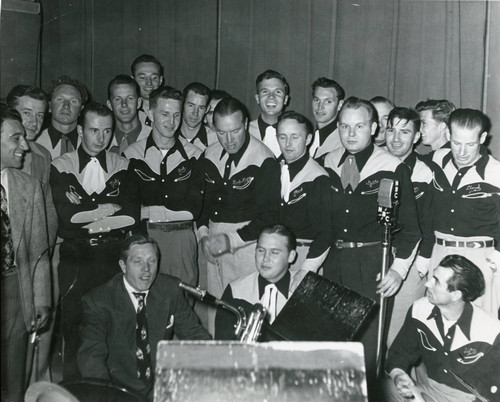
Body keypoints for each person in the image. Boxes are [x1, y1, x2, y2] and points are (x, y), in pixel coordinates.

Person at [322, 97, 421, 398]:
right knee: (333, 345)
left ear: (374, 127)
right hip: (334, 261)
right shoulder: (325, 162)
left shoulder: (392, 167)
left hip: (372, 264)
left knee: (366, 350)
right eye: (345, 126)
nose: (351, 134)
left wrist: (398, 269)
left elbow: (412, 229)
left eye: (360, 126)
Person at [50, 102, 139, 379]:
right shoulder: (61, 166)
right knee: (74, 328)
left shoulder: (122, 165)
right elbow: (66, 218)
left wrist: (85, 213)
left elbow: (131, 215)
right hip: (76, 258)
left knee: (114, 327)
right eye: (93, 130)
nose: (100, 138)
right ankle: (75, 390)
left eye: (106, 131)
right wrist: (103, 209)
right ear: (80, 130)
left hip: (113, 257)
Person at [78, 235, 211, 402]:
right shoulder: (98, 301)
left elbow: (194, 335)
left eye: (152, 261)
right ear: (123, 266)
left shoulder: (170, 289)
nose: (146, 269)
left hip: (160, 387)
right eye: (137, 261)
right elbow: (92, 359)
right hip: (119, 389)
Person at [197, 96, 281, 334]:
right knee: (217, 312)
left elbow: (269, 217)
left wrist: (229, 240)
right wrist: (204, 235)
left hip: (247, 245)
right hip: (213, 243)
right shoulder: (209, 153)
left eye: (234, 131)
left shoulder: (264, 159)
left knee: (245, 315)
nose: (229, 139)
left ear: (245, 124)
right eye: (222, 133)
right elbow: (202, 204)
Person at [385, 254, 500, 402]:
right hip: (432, 392)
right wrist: (398, 375)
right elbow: (399, 354)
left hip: (471, 398)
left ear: (456, 295)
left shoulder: (491, 330)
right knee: (387, 389)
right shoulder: (419, 309)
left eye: (436, 282)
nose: (427, 284)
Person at [124, 86, 204, 286]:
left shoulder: (194, 155)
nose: (171, 122)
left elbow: (193, 209)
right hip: (145, 239)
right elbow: (128, 208)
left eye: (177, 115)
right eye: (165, 114)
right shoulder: (131, 155)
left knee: (183, 301)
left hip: (182, 240)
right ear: (150, 113)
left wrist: (147, 211)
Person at [423, 108, 500, 316]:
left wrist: (497, 259)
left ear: (483, 138)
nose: (463, 152)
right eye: (457, 143)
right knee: (437, 323)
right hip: (439, 254)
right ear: (448, 135)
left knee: (479, 328)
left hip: (480, 259)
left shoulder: (496, 173)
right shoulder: (436, 160)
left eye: (470, 144)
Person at [7, 84, 59, 383]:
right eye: (26, 113)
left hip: (33, 261)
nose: (34, 122)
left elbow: (48, 214)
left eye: (40, 115)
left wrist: (43, 252)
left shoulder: (41, 156)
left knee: (30, 346)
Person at [1, 104, 51, 401]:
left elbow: (38, 252)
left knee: (13, 379)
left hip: (15, 292)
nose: (25, 145)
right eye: (15, 138)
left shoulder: (28, 186)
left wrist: (42, 299)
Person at [384, 107, 434, 346]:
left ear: (416, 137)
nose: (395, 139)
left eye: (404, 132)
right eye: (391, 130)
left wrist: (421, 264)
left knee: (397, 334)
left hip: (411, 262)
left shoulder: (427, 173)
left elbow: (430, 222)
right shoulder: (376, 164)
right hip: (375, 256)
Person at [215, 224, 307, 340]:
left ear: (291, 256)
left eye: (274, 252)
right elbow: (223, 344)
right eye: (261, 250)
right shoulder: (235, 290)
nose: (265, 258)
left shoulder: (305, 291)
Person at [276, 111, 333, 272]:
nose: (288, 144)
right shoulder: (273, 170)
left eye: (295, 137)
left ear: (308, 139)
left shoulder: (318, 178)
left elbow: (325, 234)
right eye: (282, 137)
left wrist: (307, 269)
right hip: (275, 254)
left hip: (304, 256)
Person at [36, 75, 88, 159]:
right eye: (60, 99)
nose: (66, 106)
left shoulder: (91, 142)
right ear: (49, 106)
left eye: (73, 101)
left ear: (81, 110)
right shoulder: (36, 142)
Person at [248, 69, 290, 157]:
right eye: (265, 91)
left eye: (278, 92)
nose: (271, 96)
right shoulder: (245, 132)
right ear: (257, 98)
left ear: (285, 99)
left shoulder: (295, 133)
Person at [107, 75, 150, 155]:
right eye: (118, 99)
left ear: (139, 103)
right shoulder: (102, 138)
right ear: (109, 105)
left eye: (130, 98)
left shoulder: (153, 137)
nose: (124, 104)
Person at [309, 77, 345, 161]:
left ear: (340, 104)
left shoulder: (343, 141)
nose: (320, 107)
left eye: (328, 101)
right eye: (316, 100)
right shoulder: (307, 137)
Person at [177, 82, 217, 151]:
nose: (195, 113)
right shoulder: (169, 135)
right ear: (182, 104)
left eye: (201, 108)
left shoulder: (215, 141)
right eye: (191, 105)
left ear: (207, 109)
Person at [131, 54, 164, 128]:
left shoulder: (171, 110)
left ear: (160, 80)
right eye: (142, 78)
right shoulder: (126, 112)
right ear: (133, 80)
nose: (149, 83)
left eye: (154, 78)